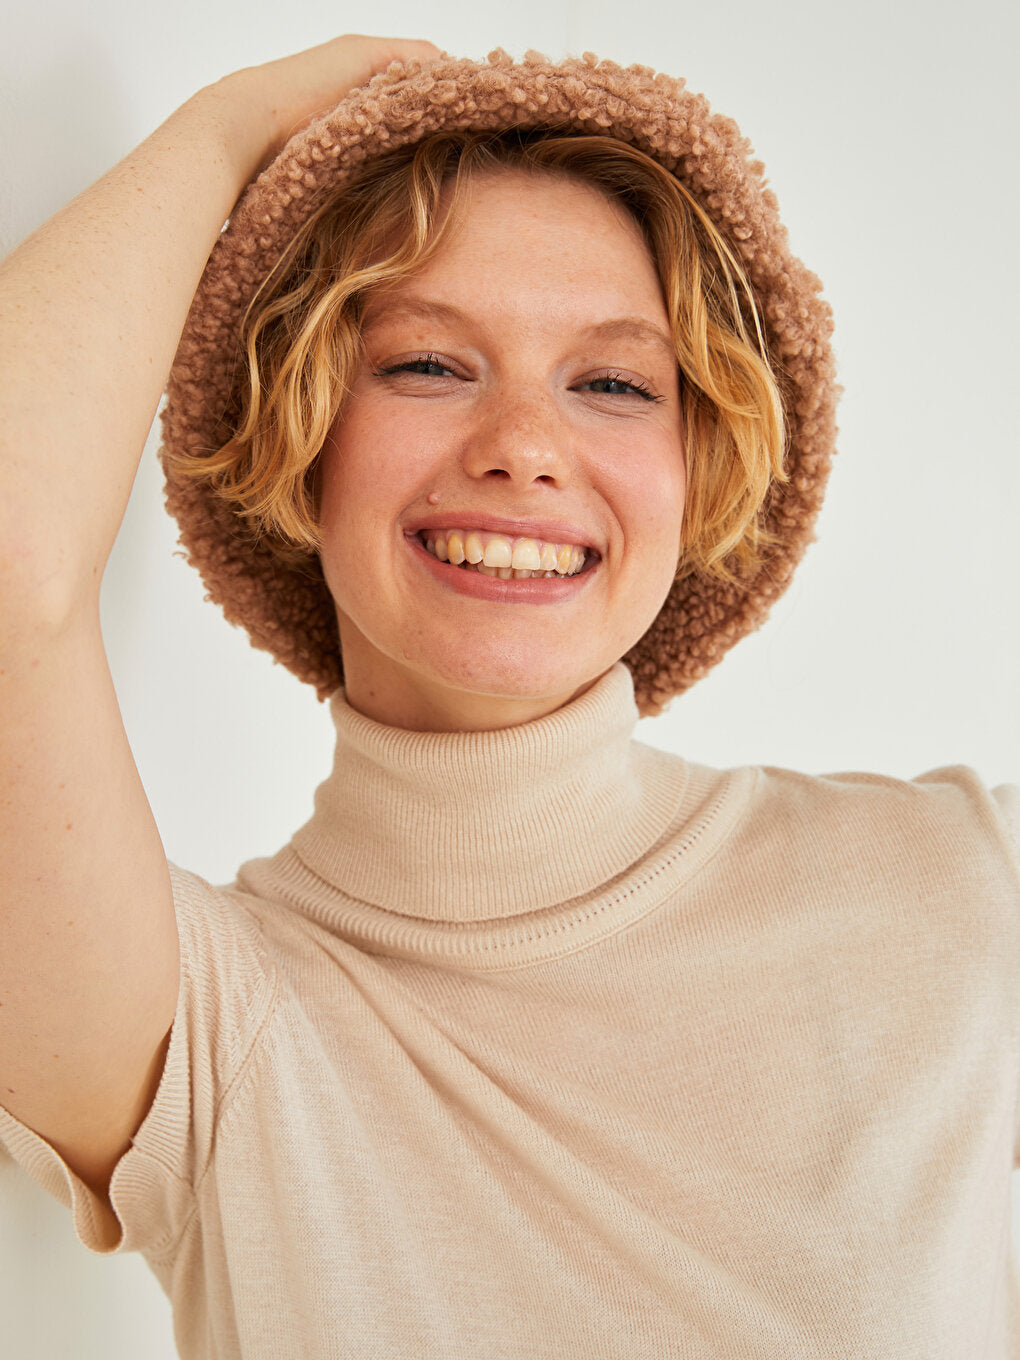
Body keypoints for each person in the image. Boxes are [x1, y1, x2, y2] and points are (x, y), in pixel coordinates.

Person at [0, 32, 1017, 1360]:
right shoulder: (206, 1034)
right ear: (301, 436)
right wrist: (227, 133)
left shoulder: (967, 885)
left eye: (613, 384)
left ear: (701, 467)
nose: (526, 451)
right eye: (428, 364)